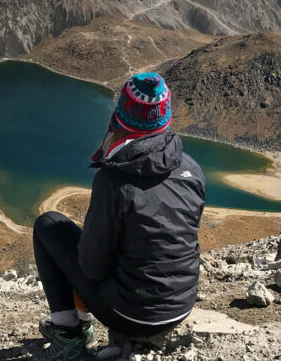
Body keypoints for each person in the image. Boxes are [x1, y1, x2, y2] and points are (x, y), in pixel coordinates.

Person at [33, 72, 206, 360]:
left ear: (121, 116)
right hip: (181, 307)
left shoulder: (115, 180)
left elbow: (92, 267)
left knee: (49, 225)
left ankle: (69, 336)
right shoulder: (191, 167)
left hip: (133, 315)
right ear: (165, 119)